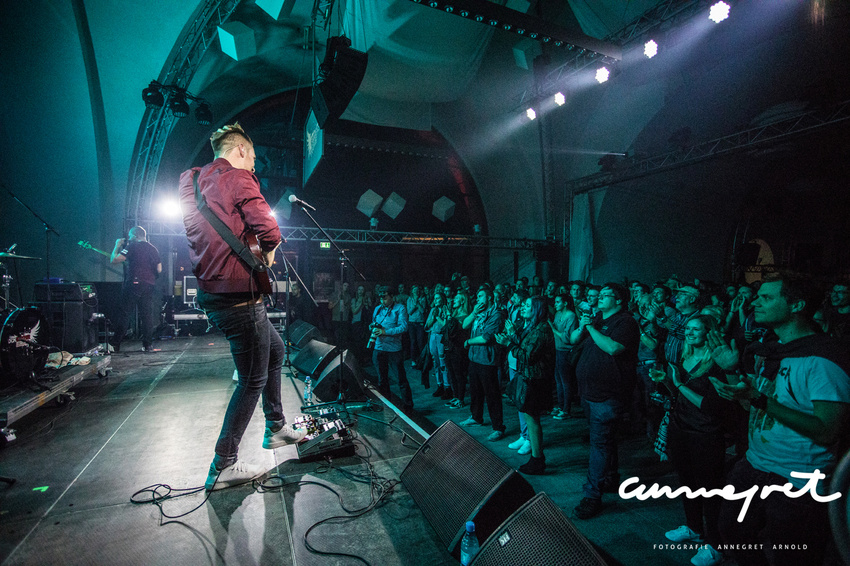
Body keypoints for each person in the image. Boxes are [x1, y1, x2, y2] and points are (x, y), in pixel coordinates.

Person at [179, 122, 305, 491]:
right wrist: (266, 255)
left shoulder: (191, 181)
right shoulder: (237, 177)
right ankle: (223, 465)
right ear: (238, 152)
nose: (253, 166)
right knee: (252, 379)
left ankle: (277, 427)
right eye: (251, 157)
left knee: (276, 350)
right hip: (239, 296)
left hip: (213, 294)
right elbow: (270, 230)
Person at [710, 274, 850, 566]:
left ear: (797, 304)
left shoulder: (822, 359)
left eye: (766, 298)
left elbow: (827, 431)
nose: (755, 302)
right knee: (732, 532)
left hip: (797, 477)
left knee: (794, 556)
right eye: (757, 296)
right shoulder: (775, 350)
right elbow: (756, 409)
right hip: (755, 464)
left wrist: (761, 399)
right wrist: (733, 372)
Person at [654, 315, 737, 566]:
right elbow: (680, 397)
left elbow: (711, 405)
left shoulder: (717, 365)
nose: (689, 333)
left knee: (710, 490)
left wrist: (677, 384)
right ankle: (694, 529)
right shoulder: (684, 357)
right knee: (687, 483)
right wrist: (667, 383)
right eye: (687, 329)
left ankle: (715, 545)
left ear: (709, 332)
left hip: (705, 434)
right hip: (681, 429)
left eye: (696, 329)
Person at [571, 283, 640, 520]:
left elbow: (612, 348)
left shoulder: (626, 322)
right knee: (606, 440)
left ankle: (592, 496)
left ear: (619, 300)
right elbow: (572, 339)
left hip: (608, 394)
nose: (599, 298)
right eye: (598, 295)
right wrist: (584, 325)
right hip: (590, 392)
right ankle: (610, 478)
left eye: (605, 295)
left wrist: (590, 326)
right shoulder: (597, 318)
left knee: (599, 444)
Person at [496, 296, 555, 474]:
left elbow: (527, 356)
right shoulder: (533, 327)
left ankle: (537, 459)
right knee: (530, 418)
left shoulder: (541, 330)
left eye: (528, 305)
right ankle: (536, 456)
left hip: (535, 380)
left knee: (533, 419)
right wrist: (513, 336)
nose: (524, 307)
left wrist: (509, 342)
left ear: (537, 309)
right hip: (532, 378)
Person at [460, 287, 507, 441]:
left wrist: (468, 341)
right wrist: (473, 313)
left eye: (481, 296)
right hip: (474, 358)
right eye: (478, 296)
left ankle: (498, 427)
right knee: (475, 390)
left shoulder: (496, 315)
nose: (478, 298)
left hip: (487, 361)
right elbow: (464, 325)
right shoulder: (479, 313)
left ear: (489, 298)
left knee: (492, 394)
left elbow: (486, 338)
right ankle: (476, 417)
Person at [110, 225, 162, 353]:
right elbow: (159, 269)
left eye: (130, 236)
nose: (129, 238)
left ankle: (115, 344)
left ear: (134, 235)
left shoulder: (132, 246)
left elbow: (115, 260)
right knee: (147, 315)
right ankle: (147, 345)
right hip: (149, 284)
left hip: (134, 283)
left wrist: (117, 245)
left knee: (125, 312)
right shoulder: (153, 248)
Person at [370, 287, 413, 411]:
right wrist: (372, 327)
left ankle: (408, 406)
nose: (382, 300)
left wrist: (385, 332)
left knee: (400, 379)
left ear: (392, 297)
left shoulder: (400, 308)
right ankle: (386, 403)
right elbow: (373, 323)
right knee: (382, 379)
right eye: (381, 298)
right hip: (379, 348)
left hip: (394, 349)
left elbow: (403, 327)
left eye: (385, 297)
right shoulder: (378, 309)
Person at [548, 293, 578, 419]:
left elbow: (567, 338)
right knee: (558, 380)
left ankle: (566, 409)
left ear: (565, 303)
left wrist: (553, 329)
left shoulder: (571, 316)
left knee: (566, 381)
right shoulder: (558, 314)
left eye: (558, 302)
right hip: (557, 350)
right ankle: (561, 406)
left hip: (565, 351)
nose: (555, 304)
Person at [425, 291, 452, 400]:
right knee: (435, 361)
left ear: (442, 299)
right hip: (433, 336)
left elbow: (446, 325)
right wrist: (433, 317)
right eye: (435, 298)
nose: (436, 300)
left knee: (443, 362)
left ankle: (447, 387)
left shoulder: (446, 309)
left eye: (438, 298)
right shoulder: (433, 310)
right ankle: (439, 384)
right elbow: (427, 325)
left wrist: (437, 317)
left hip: (441, 337)